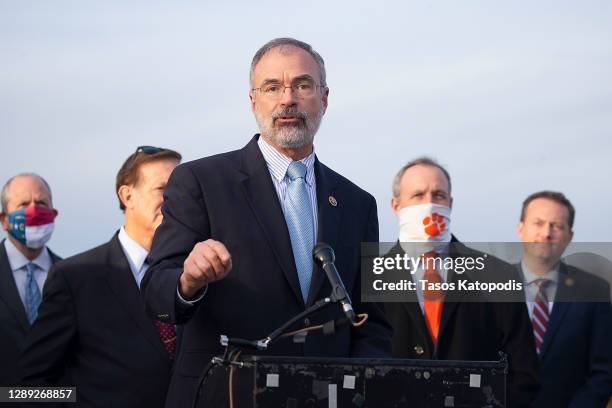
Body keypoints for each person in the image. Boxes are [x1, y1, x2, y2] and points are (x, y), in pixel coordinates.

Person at [142, 37, 392, 407]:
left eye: (302, 85)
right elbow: (156, 290)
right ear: (253, 101)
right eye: (272, 87)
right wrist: (188, 280)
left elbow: (372, 322)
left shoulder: (357, 203)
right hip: (227, 394)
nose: (288, 99)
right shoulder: (201, 181)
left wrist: (361, 389)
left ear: (324, 98)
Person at [19, 146, 182, 408]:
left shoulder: (193, 274)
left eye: (181, 190)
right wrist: (81, 400)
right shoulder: (75, 278)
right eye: (162, 188)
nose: (174, 198)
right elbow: (28, 386)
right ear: (127, 195)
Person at [383, 157, 539, 407]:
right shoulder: (369, 278)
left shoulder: (497, 275)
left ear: (451, 203)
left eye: (439, 195)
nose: (430, 204)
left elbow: (523, 374)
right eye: (418, 195)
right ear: (396, 205)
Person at [516, 191, 612, 407]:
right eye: (538, 223)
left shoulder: (594, 291)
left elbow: (603, 372)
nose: (546, 233)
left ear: (570, 235)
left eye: (556, 226)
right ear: (520, 228)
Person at [0, 173, 61, 386]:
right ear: (4, 219)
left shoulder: (74, 277)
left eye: (41, 203)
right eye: (23, 204)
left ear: (54, 214)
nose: (33, 210)